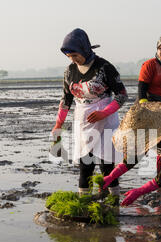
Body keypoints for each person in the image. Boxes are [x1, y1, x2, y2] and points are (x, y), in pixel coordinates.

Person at [51, 28, 128, 197]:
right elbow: (66, 100)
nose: (73, 60)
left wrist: (104, 113)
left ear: (85, 50)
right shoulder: (70, 71)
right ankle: (84, 202)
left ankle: (113, 202)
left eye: (76, 55)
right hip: (83, 121)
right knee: (86, 165)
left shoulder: (104, 67)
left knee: (107, 165)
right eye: (70, 57)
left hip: (106, 121)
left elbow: (122, 95)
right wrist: (58, 124)